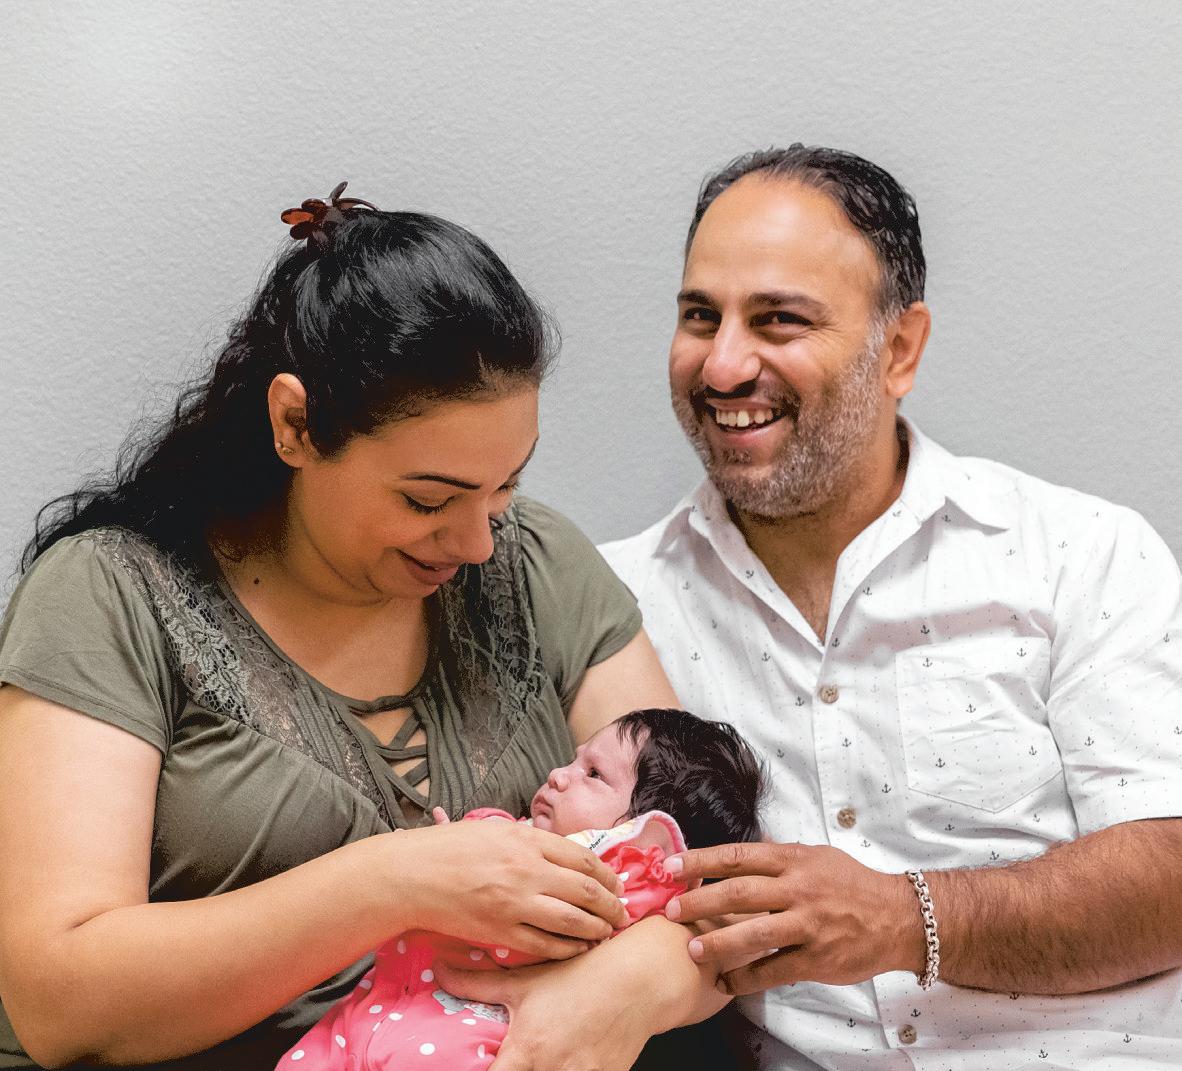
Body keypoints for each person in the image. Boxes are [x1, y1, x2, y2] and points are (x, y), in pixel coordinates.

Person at [0, 184, 718, 1070]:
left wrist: (635, 982)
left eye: (505, 485)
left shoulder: (535, 565)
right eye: (428, 500)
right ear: (296, 425)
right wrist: (396, 880)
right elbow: (59, 1002)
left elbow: (719, 870)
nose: (478, 542)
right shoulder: (112, 596)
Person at [601, 145, 1182, 1069]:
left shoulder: (1079, 552)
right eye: (700, 316)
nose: (724, 364)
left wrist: (906, 916)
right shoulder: (616, 607)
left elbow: (1171, 871)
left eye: (779, 319)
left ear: (900, 349)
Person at [278, 707, 765, 1069]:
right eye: (573, 760)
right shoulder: (509, 832)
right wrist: (451, 848)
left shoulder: (620, 888)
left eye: (593, 775)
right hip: (367, 1012)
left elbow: (544, 934)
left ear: (646, 834)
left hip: (462, 1044)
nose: (559, 775)